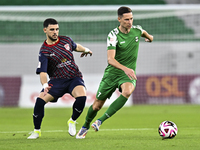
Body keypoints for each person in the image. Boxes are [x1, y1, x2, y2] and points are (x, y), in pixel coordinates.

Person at [76, 6, 153, 139]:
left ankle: (100, 121)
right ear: (119, 19)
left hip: (126, 75)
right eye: (127, 19)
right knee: (96, 106)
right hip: (112, 74)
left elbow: (146, 34)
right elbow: (110, 60)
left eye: (131, 19)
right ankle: (85, 126)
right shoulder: (113, 35)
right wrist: (126, 68)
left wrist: (149, 38)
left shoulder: (137, 30)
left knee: (128, 91)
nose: (130, 22)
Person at [27, 18, 92, 139]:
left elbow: (76, 46)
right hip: (56, 81)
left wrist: (86, 50)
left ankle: (72, 121)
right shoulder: (44, 51)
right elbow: (42, 72)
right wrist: (45, 85)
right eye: (52, 30)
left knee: (82, 97)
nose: (55, 32)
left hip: (74, 77)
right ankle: (37, 131)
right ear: (45, 30)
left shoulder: (66, 40)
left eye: (57, 29)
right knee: (39, 102)